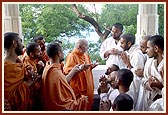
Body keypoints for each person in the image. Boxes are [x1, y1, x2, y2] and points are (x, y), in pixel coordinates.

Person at [42, 42, 88, 111]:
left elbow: (62, 81)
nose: (64, 53)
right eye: (62, 51)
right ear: (59, 53)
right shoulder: (55, 73)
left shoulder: (48, 68)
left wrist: (74, 70)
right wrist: (81, 101)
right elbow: (62, 102)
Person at [63, 39, 98, 110]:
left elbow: (87, 68)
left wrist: (91, 66)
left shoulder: (86, 55)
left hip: (88, 89)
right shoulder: (72, 56)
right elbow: (67, 73)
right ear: (79, 46)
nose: (88, 47)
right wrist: (79, 69)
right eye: (86, 45)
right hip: (78, 90)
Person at [4, 32, 33, 110]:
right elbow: (9, 98)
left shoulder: (19, 64)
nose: (23, 46)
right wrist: (29, 82)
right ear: (14, 43)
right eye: (20, 41)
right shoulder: (5, 67)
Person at [120, 33, 146, 110]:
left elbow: (138, 75)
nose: (120, 45)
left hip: (137, 88)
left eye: (122, 43)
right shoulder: (130, 52)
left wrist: (128, 64)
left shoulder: (136, 55)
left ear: (129, 43)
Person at [142, 35, 164, 110]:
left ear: (156, 48)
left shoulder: (164, 64)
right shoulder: (149, 63)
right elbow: (144, 79)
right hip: (151, 100)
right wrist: (148, 83)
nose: (146, 51)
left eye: (148, 48)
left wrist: (159, 86)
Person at [22, 42, 44, 110]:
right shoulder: (27, 63)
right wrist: (42, 72)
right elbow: (33, 80)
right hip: (30, 97)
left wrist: (38, 67)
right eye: (38, 51)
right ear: (31, 54)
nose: (40, 53)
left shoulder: (32, 60)